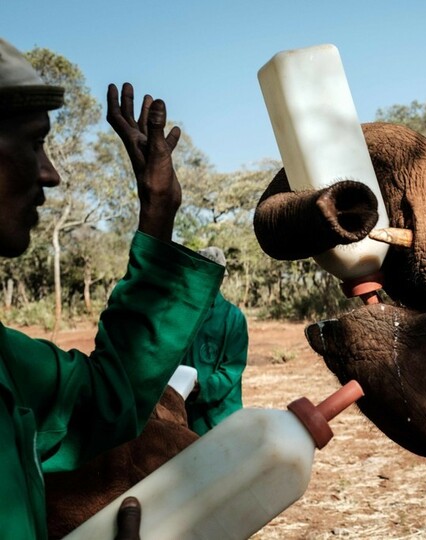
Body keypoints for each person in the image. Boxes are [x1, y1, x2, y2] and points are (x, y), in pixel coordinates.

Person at [0, 37, 224, 538]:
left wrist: (157, 214)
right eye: (33, 143)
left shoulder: (8, 363)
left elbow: (106, 398)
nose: (50, 174)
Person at [182, 247, 248, 435]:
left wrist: (202, 388)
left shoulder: (233, 317)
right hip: (184, 414)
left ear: (221, 279)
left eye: (213, 275)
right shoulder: (183, 315)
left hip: (221, 416)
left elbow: (232, 369)